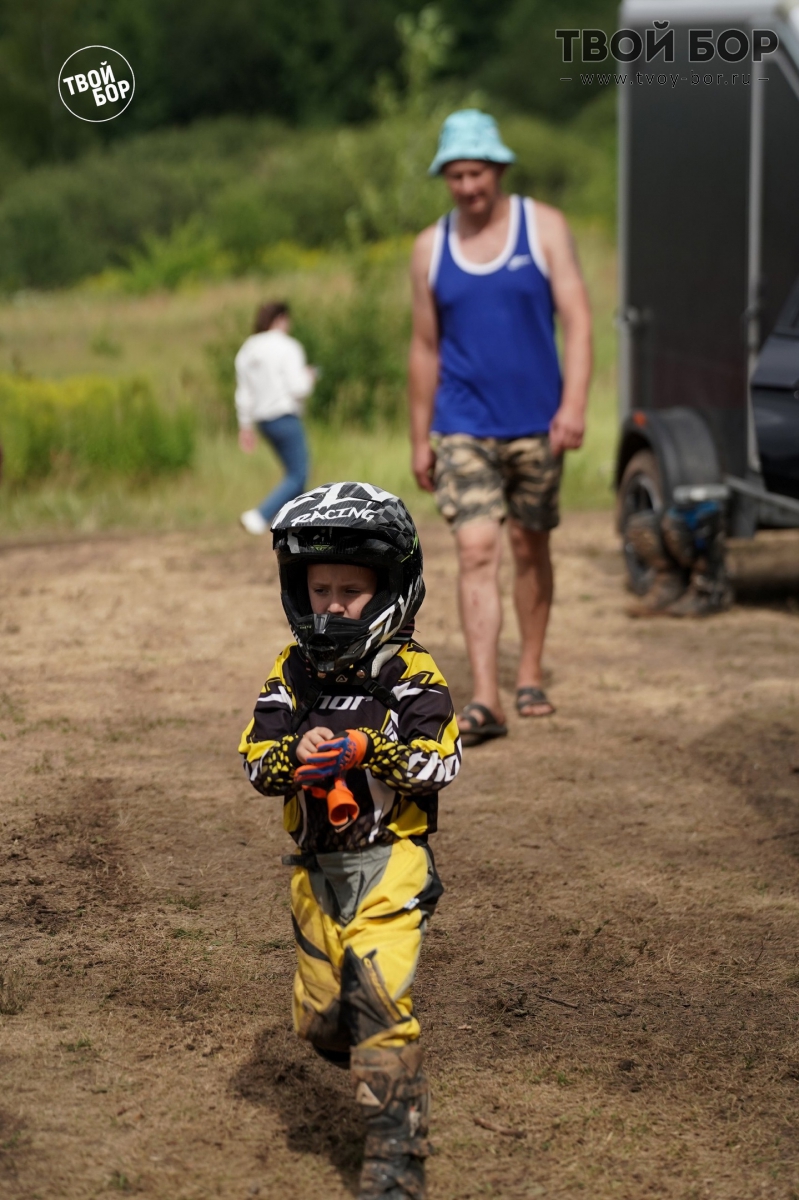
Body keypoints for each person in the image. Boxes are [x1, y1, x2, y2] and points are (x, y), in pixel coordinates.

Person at [238, 481, 461, 1200]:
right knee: (322, 1022)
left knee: (376, 999)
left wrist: (370, 748)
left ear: (391, 588)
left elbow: (442, 760)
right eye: (320, 587)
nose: (333, 604)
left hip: (391, 861)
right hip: (313, 871)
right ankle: (366, 1053)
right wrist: (292, 760)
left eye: (352, 590)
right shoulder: (292, 672)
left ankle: (395, 1159)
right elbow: (254, 759)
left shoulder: (408, 672)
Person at [408, 109, 592, 744]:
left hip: (537, 424)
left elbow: (579, 318)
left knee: (528, 546)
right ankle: (486, 697)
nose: (467, 186)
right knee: (476, 548)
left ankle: (530, 671)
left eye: (477, 172)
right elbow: (424, 347)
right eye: (455, 175)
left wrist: (574, 404)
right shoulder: (430, 248)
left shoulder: (542, 227)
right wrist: (419, 434)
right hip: (462, 424)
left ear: (499, 169)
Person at [236, 301, 317, 535]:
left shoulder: (248, 348)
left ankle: (300, 524)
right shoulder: (288, 346)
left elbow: (244, 392)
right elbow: (298, 388)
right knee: (298, 473)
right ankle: (259, 515)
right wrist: (309, 377)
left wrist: (245, 426)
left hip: (263, 420)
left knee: (295, 475)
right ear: (281, 318)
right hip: (285, 416)